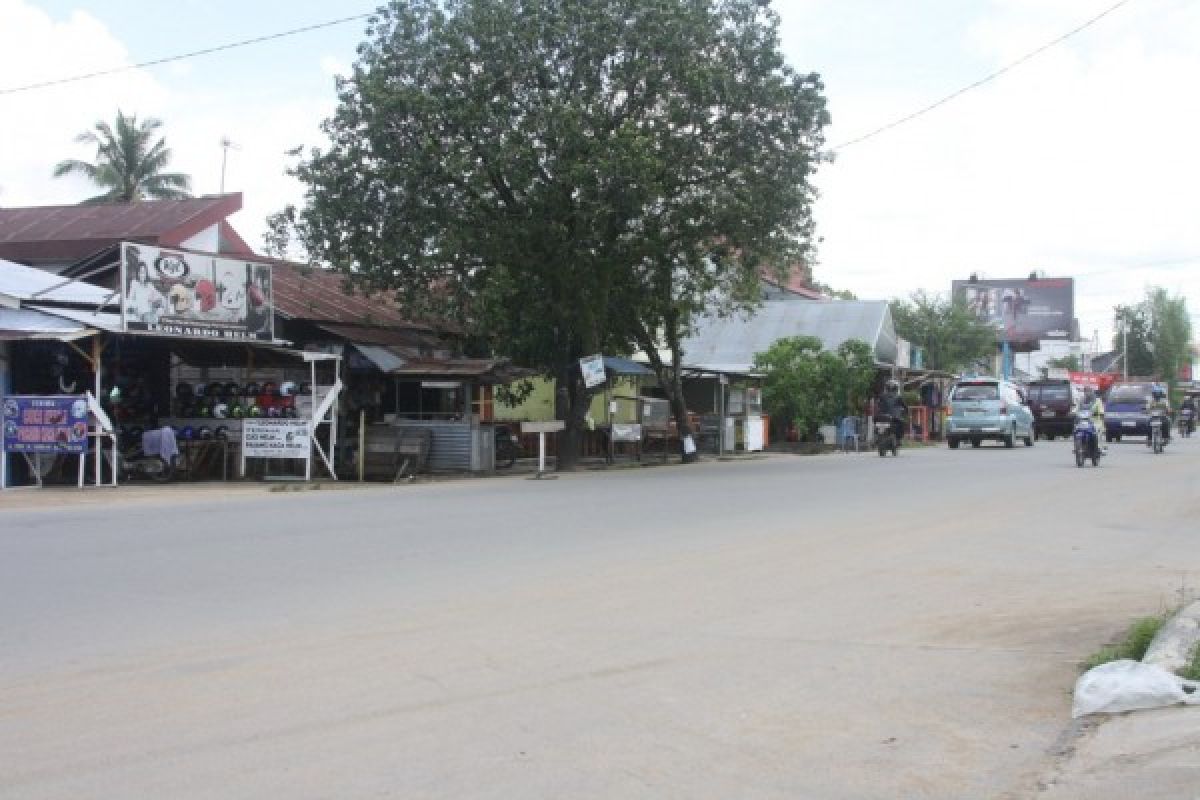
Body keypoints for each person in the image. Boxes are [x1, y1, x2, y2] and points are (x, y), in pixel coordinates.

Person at [1082, 387, 1106, 453]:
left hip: (1096, 421)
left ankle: (1099, 447)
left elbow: (1101, 411)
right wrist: (1074, 412)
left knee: (1097, 433)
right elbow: (1077, 408)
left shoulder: (1097, 401)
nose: (1087, 393)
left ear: (1092, 392)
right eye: (1086, 391)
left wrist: (1099, 413)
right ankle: (1079, 446)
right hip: (1084, 421)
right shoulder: (1082, 400)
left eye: (1089, 391)